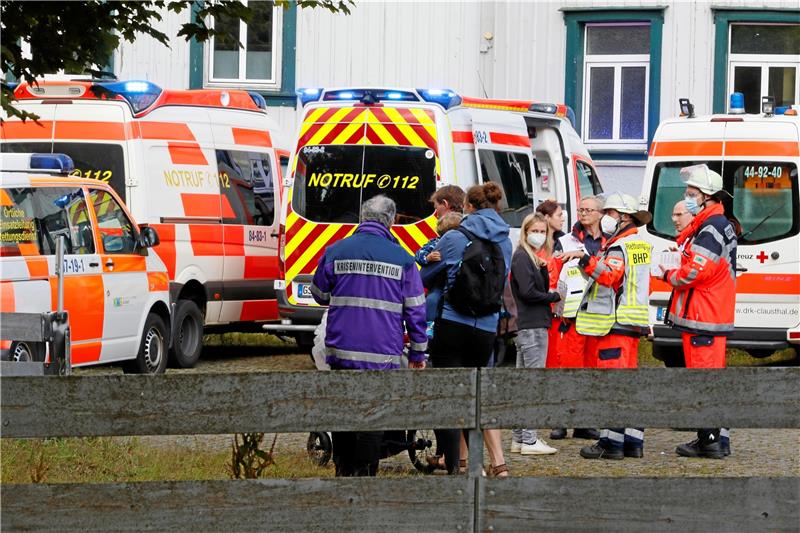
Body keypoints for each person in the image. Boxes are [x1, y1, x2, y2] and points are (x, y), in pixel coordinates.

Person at [310, 195, 428, 476]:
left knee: (344, 410)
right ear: (391, 221)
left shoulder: (336, 250)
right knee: (374, 415)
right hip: (382, 355)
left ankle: (343, 468)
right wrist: (417, 354)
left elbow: (319, 294)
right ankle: (365, 472)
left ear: (362, 218)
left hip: (341, 352)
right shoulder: (403, 259)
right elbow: (416, 311)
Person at [420, 182, 513, 476]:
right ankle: (490, 464)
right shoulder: (506, 241)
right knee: (478, 395)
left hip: (453, 321)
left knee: (450, 395)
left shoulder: (456, 236)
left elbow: (428, 273)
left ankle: (459, 465)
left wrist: (426, 260)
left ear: (468, 207)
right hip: (487, 327)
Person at [561, 193, 652, 460]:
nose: (605, 218)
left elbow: (611, 277)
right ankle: (633, 442)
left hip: (613, 324)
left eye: (609, 213)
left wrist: (584, 259)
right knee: (627, 387)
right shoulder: (639, 244)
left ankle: (610, 444)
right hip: (631, 324)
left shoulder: (619, 246)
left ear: (623, 217)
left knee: (612, 387)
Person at [660, 164, 737, 459]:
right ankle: (718, 439)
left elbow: (695, 272)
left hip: (703, 316)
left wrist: (669, 275)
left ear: (706, 197)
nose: (687, 198)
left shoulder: (712, 227)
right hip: (709, 314)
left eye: (691, 194)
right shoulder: (715, 224)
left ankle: (709, 442)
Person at [549, 196, 607, 442]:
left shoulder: (610, 241)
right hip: (570, 317)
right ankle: (561, 421)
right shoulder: (565, 241)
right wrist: (557, 308)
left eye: (589, 210)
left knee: (591, 371)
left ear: (600, 213)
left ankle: (584, 422)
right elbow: (554, 275)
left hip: (596, 315)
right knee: (567, 370)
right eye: (581, 209)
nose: (583, 214)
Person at [509, 213, 559, 455]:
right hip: (533, 325)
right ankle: (529, 439)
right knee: (532, 384)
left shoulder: (528, 257)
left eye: (543, 231)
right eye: (536, 230)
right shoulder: (522, 257)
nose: (539, 235)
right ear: (526, 231)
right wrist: (553, 296)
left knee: (522, 383)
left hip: (528, 325)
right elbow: (528, 292)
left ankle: (520, 437)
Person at [535, 200, 566, 368]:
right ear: (547, 218)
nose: (562, 219)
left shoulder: (564, 242)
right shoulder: (536, 245)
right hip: (542, 306)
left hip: (558, 307)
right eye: (559, 215)